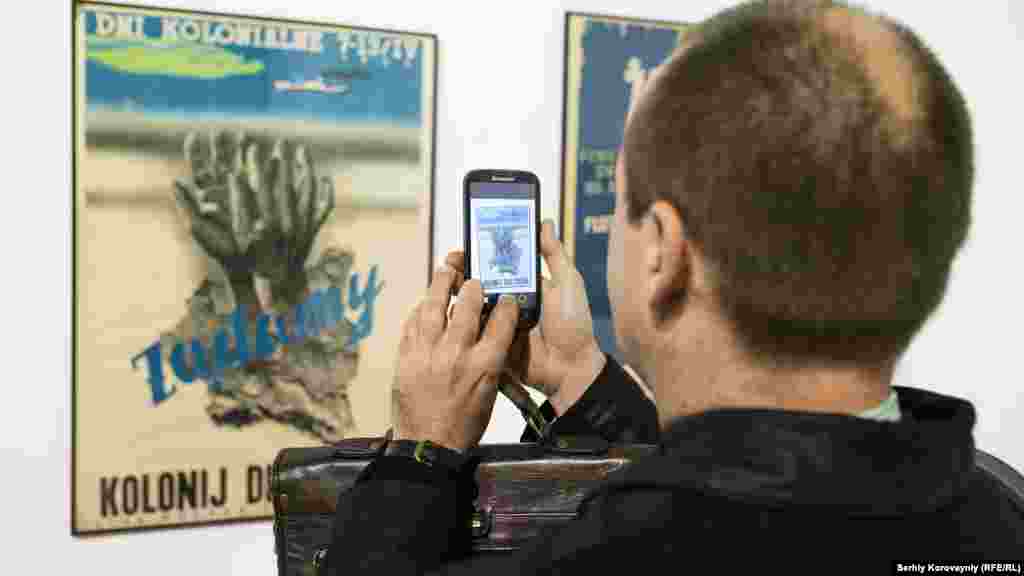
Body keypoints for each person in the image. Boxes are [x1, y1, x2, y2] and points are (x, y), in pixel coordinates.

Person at [323, 1, 1024, 573]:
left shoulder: (600, 557)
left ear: (663, 250)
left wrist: (420, 454)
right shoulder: (1001, 517)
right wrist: (582, 382)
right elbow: (751, 482)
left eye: (619, 205)